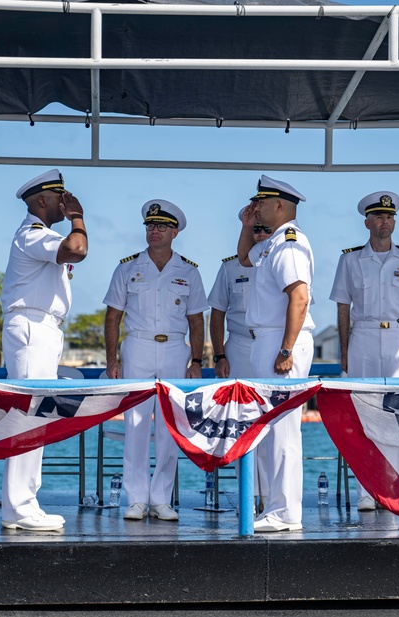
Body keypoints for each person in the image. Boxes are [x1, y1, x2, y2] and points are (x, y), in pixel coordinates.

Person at [103, 199, 209, 522]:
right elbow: (112, 317)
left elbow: (196, 320)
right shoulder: (127, 267)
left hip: (176, 349)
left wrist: (196, 359)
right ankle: (136, 498)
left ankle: (161, 498)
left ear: (175, 232)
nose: (154, 231)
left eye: (162, 226)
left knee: (169, 426)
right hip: (137, 346)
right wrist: (112, 359)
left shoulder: (189, 271)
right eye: (150, 225)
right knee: (135, 424)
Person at [329, 191, 399, 511]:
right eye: (379, 216)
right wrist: (344, 351)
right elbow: (343, 309)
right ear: (367, 222)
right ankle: (365, 491)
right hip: (364, 338)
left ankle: (395, 488)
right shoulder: (351, 259)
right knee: (365, 413)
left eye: (390, 216)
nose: (385, 221)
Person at [0, 168, 88, 532]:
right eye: (58, 197)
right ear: (41, 201)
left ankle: (22, 500)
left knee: (35, 416)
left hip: (43, 329)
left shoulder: (44, 235)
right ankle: (18, 505)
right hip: (33, 328)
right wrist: (78, 216)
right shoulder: (33, 234)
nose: (64, 202)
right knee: (28, 415)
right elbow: (77, 249)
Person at [237, 175, 314, 533]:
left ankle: (286, 513)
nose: (258, 208)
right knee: (268, 429)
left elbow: (299, 297)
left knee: (283, 431)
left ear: (279, 206)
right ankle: (275, 507)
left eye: (263, 204)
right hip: (265, 340)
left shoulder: (290, 244)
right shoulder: (272, 244)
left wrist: (285, 349)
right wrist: (246, 224)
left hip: (281, 343)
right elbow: (244, 258)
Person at [206, 208, 274, 504]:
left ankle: (272, 495)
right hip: (240, 347)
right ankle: (249, 495)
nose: (260, 235)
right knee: (240, 423)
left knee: (273, 420)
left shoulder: (282, 264)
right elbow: (216, 313)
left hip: (272, 345)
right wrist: (219, 354)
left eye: (266, 230)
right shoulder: (230, 268)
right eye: (256, 230)